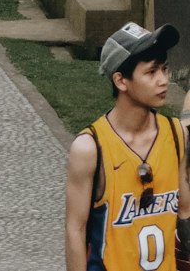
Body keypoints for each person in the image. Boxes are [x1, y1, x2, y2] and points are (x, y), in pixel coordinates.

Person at [65, 21, 190, 271]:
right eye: (152, 72)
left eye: (164, 70)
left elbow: (185, 213)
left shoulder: (176, 135)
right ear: (121, 81)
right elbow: (75, 231)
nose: (163, 80)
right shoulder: (90, 149)